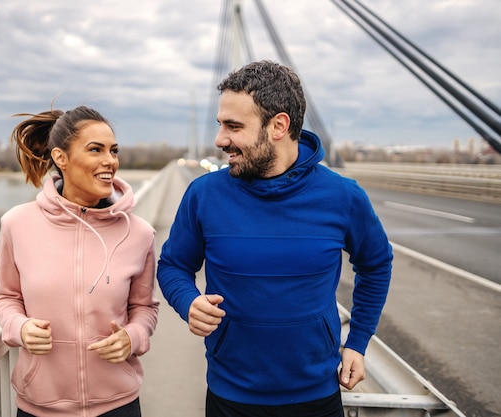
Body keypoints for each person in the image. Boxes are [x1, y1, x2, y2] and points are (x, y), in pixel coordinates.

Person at [157, 60, 393, 417]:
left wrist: (357, 343)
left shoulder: (343, 196)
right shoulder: (203, 194)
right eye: (220, 125)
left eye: (233, 127)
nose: (220, 140)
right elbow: (173, 264)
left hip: (317, 397)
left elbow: (376, 265)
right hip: (230, 396)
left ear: (279, 125)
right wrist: (187, 301)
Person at [0, 105, 159, 417]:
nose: (110, 160)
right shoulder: (17, 224)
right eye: (96, 149)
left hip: (118, 405)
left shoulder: (138, 233)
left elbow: (145, 309)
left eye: (113, 150)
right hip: (40, 407)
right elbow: (6, 297)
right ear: (61, 158)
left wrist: (132, 338)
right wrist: (19, 327)